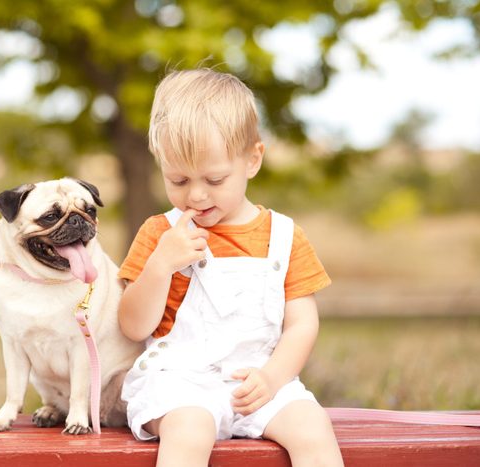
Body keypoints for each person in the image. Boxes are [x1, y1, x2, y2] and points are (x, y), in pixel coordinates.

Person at [117, 68, 344, 467]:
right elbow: (134, 326)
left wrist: (273, 377)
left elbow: (301, 324)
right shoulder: (160, 233)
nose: (197, 195)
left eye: (214, 178)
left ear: (252, 160)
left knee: (312, 428)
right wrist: (160, 267)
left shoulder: (284, 237)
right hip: (180, 383)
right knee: (189, 431)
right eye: (179, 179)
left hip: (258, 380)